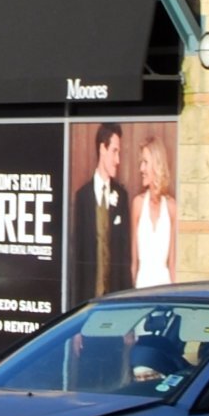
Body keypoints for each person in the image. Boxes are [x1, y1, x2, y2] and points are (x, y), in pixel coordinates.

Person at [70, 122, 133, 303]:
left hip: (114, 300)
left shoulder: (121, 196)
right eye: (114, 151)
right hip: (89, 299)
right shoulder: (82, 197)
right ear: (102, 149)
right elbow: (78, 256)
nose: (118, 160)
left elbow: (125, 257)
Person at [129, 137, 176, 288]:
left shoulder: (172, 207)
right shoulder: (138, 204)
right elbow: (133, 263)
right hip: (142, 287)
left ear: (157, 164)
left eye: (145, 162)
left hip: (165, 288)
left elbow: (173, 265)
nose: (141, 169)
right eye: (141, 163)